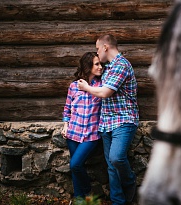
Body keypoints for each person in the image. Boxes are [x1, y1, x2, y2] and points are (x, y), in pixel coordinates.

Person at [77, 34, 139, 205]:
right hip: (106, 123)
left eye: (97, 48)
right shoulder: (108, 68)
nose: (97, 52)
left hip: (123, 121)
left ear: (105, 47)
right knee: (111, 167)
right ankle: (118, 201)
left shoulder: (121, 65)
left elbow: (105, 92)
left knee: (116, 158)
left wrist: (86, 87)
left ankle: (130, 182)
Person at [62, 52, 103, 199]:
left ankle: (87, 191)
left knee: (75, 165)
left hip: (92, 134)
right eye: (97, 64)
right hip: (73, 133)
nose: (100, 66)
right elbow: (67, 109)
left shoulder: (101, 85)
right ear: (88, 66)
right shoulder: (74, 86)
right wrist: (65, 125)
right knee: (76, 167)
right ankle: (80, 200)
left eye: (100, 63)